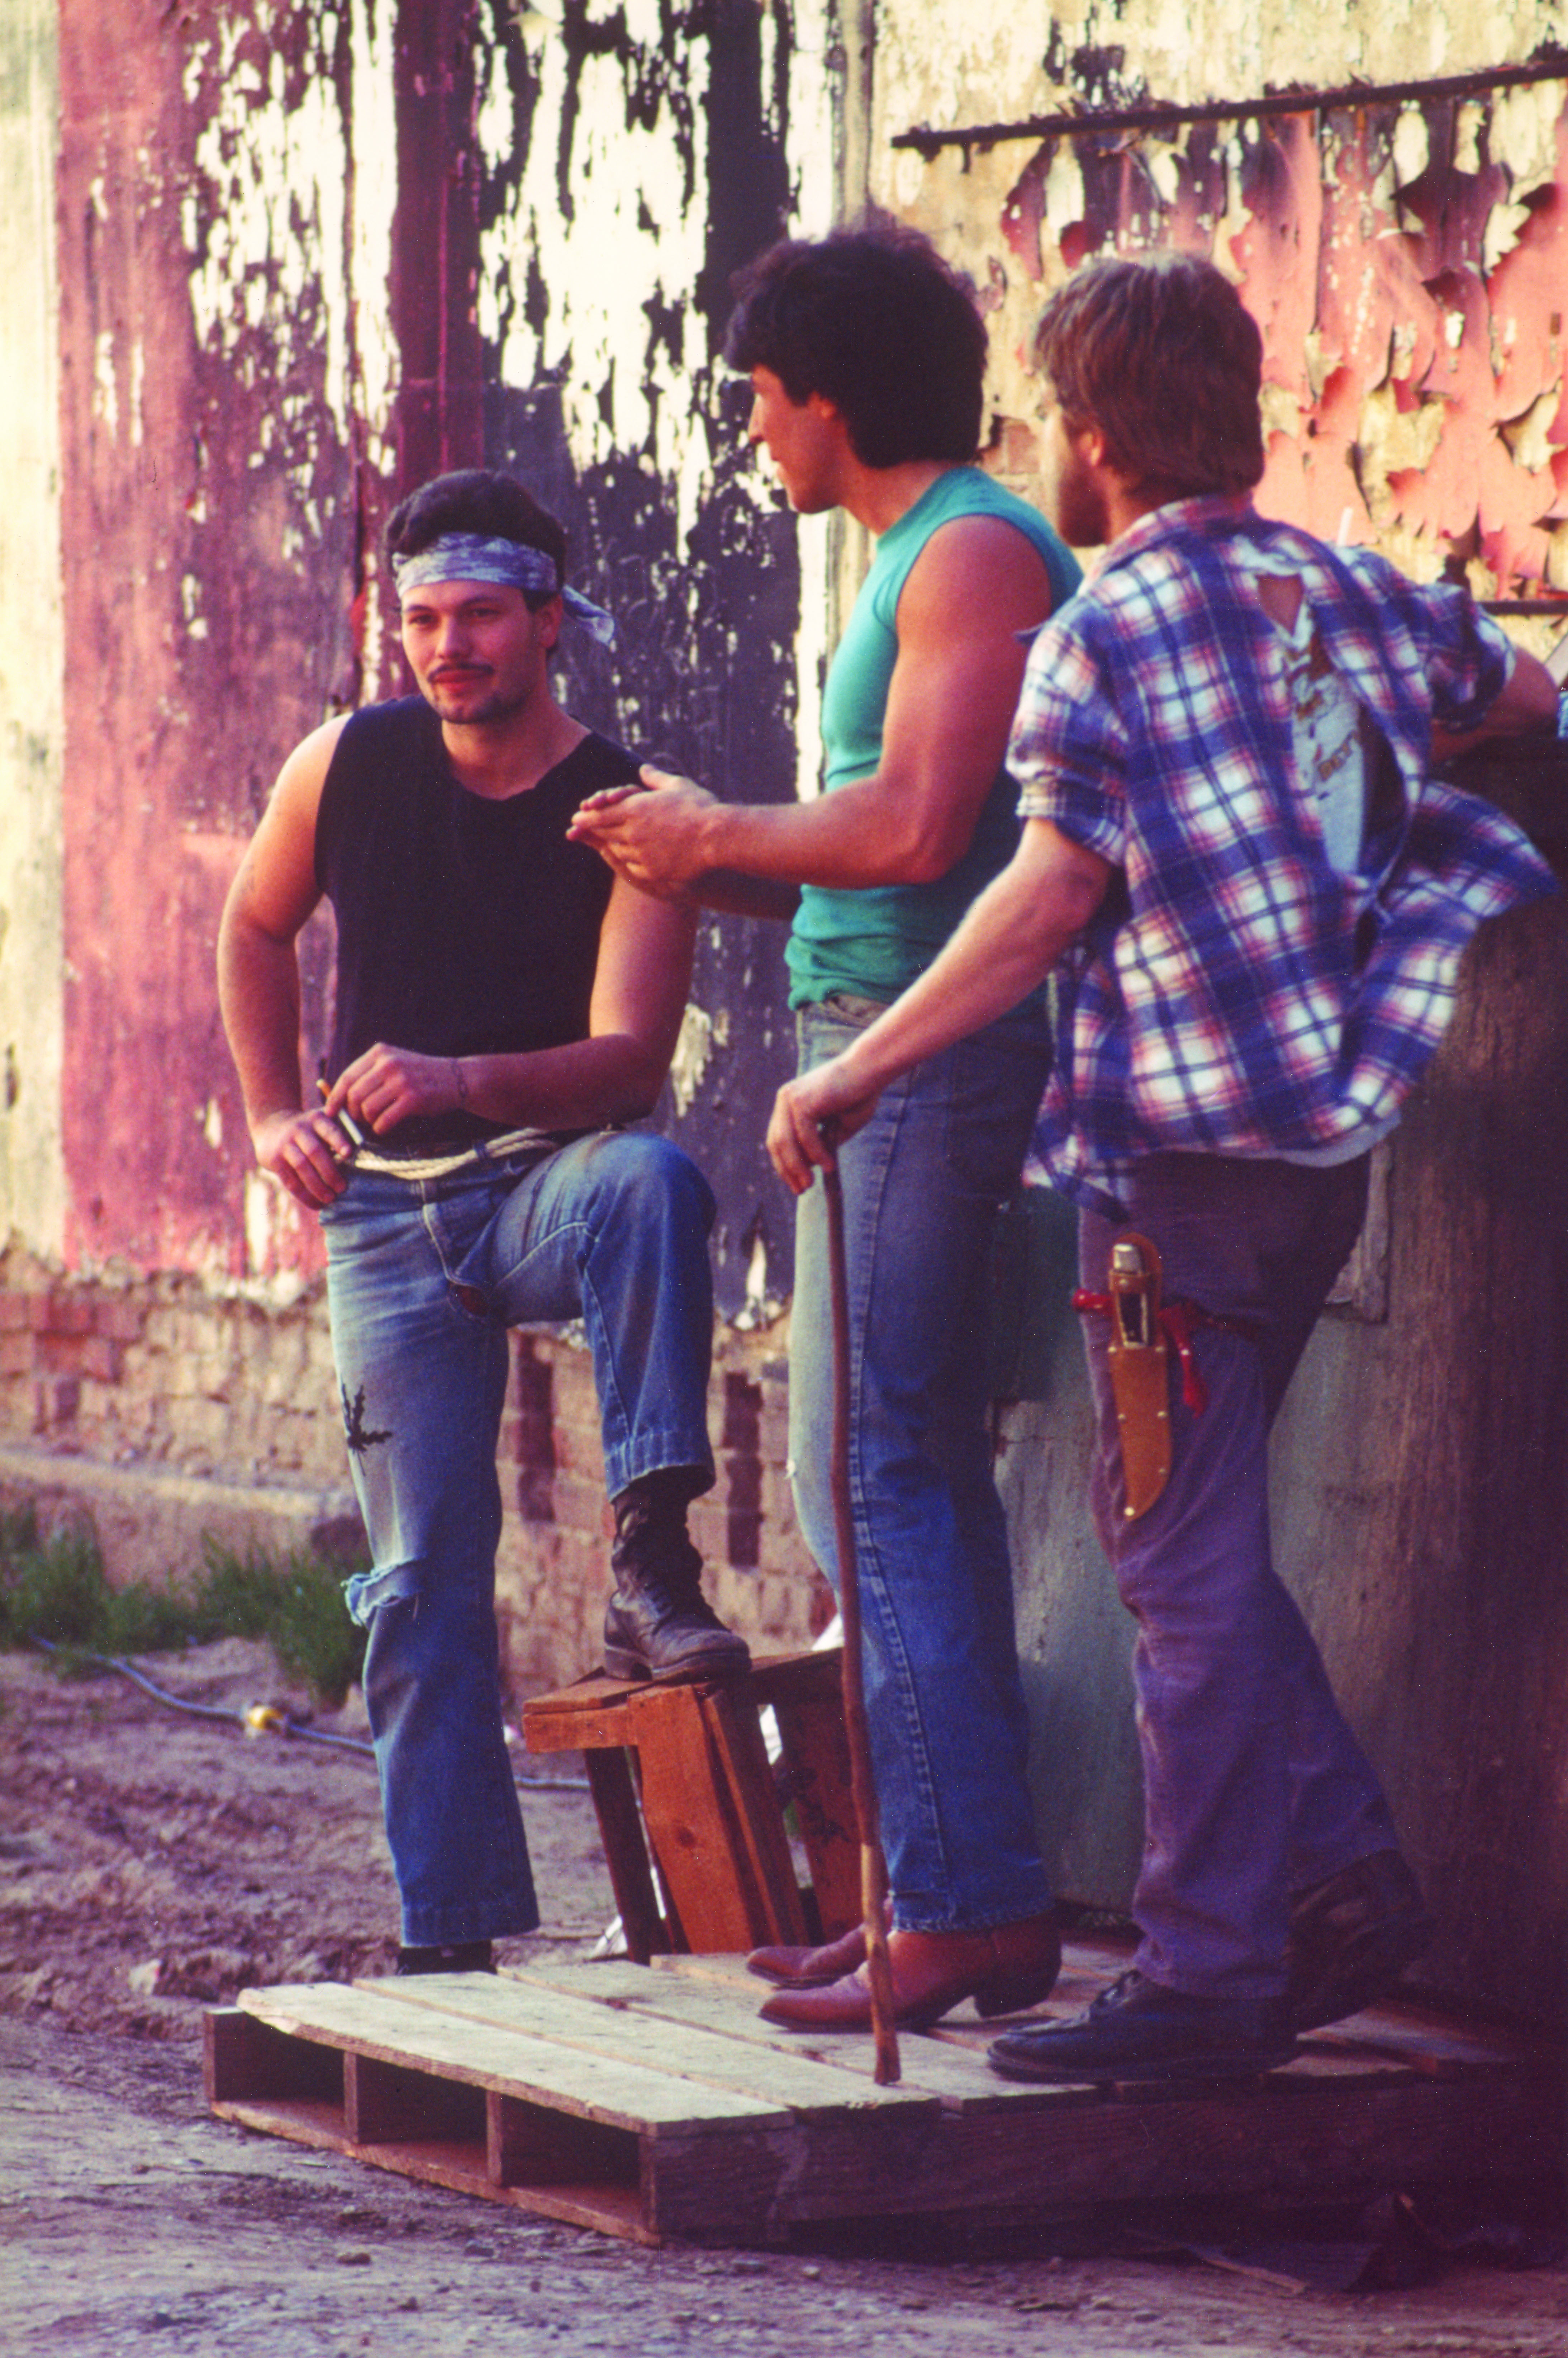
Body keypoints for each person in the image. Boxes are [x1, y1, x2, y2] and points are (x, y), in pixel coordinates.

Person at [765, 253, 1559, 2080]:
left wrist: (858, 1071)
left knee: (1175, 1568)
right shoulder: (1344, 589)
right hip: (1315, 1165)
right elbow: (1513, 691)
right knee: (1186, 1534)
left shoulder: (1097, 637)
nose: (1041, 446)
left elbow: (1044, 896)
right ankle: (1339, 1880)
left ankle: (1207, 1975)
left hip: (1174, 1176)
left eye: (1050, 415)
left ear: (1098, 433)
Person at [570, 225, 1079, 2032]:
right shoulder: (911, 556)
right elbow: (867, 837)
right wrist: (699, 853)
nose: (756, 437)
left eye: (764, 402)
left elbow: (925, 829)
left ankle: (965, 1909)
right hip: (869, 1043)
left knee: (888, 1469)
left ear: (831, 398)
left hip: (924, 1060)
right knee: (864, 1471)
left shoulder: (971, 552)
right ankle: (945, 1898)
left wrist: (716, 838)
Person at [218, 469, 747, 1975]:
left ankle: (650, 1556)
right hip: (382, 1227)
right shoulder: (349, 762)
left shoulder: (624, 806)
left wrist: (458, 1073)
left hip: (537, 1190)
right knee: (416, 1588)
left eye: (484, 619)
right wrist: (271, 1119)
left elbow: (633, 1065)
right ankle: (448, 1944)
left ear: (553, 623)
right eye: (424, 620)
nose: (450, 648)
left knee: (651, 1179)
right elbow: (253, 928)